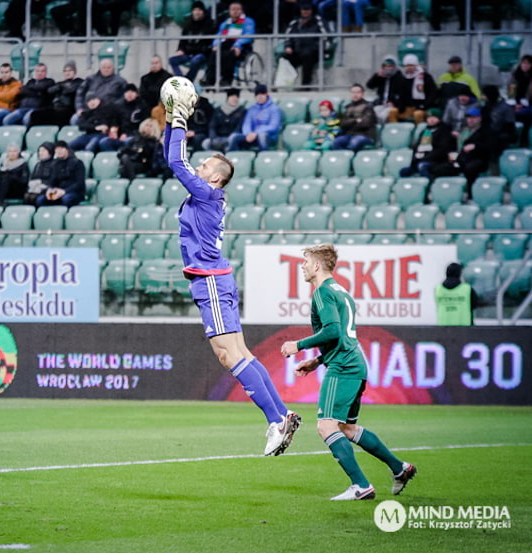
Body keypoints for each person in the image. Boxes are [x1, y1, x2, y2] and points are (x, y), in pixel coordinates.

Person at [164, 90, 300, 457]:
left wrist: (177, 120)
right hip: (215, 277)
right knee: (240, 352)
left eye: (205, 165)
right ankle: (282, 414)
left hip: (209, 279)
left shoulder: (207, 194)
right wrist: (170, 120)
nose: (200, 167)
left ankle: (276, 419)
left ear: (217, 178)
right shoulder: (208, 196)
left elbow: (175, 162)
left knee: (229, 355)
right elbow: (174, 159)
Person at [281, 244, 416, 500]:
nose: (303, 266)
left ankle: (360, 485)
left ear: (318, 265)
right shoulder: (341, 292)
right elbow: (342, 335)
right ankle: (399, 468)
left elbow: (333, 331)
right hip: (354, 364)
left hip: (343, 367)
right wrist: (318, 361)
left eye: (306, 261)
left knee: (326, 426)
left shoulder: (321, 292)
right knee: (346, 428)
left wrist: (297, 346)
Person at [203, 2, 255, 87]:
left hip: (242, 46)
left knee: (229, 54)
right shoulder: (225, 23)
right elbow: (218, 36)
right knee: (214, 53)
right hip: (226, 44)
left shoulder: (248, 21)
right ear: (229, 11)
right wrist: (216, 44)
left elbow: (248, 36)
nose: (235, 11)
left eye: (237, 9)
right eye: (233, 9)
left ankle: (226, 79)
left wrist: (238, 45)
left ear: (241, 11)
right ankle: (210, 80)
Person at [282, 2, 332, 87]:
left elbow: (326, 37)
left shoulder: (319, 21)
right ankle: (283, 84)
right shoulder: (295, 22)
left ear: (312, 10)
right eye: (303, 10)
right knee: (284, 57)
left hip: (315, 51)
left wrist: (318, 47)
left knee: (307, 56)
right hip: (298, 51)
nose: (305, 12)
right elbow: (288, 37)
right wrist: (288, 46)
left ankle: (305, 85)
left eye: (308, 9)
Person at [400, 108, 456, 180]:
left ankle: (429, 186)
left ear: (439, 119)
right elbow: (417, 147)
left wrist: (425, 159)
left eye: (434, 117)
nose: (431, 120)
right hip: (422, 159)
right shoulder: (425, 131)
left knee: (423, 166)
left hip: (437, 161)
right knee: (403, 172)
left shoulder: (444, 131)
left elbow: (442, 150)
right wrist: (416, 159)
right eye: (429, 117)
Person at [169, 2, 216, 83]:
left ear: (203, 12)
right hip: (188, 53)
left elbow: (209, 42)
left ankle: (188, 81)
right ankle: (182, 80)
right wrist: (180, 49)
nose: (197, 12)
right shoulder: (188, 25)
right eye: (195, 10)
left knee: (196, 60)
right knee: (172, 60)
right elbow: (183, 41)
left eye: (199, 10)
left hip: (202, 54)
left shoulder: (209, 24)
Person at [226, 84, 282, 152]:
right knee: (234, 136)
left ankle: (262, 157)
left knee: (262, 136)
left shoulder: (274, 108)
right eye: (257, 95)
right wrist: (248, 133)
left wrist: (256, 133)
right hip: (251, 136)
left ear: (266, 95)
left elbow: (273, 126)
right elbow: (246, 124)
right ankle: (233, 158)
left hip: (268, 137)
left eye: (262, 94)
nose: (260, 97)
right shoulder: (252, 109)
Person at [453, 106, 493, 196]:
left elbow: (490, 147)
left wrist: (475, 146)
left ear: (480, 118)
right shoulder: (465, 131)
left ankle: (471, 194)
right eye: (469, 118)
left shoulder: (486, 131)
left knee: (470, 168)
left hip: (480, 158)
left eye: (473, 118)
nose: (470, 120)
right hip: (463, 157)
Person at [29, 61, 83, 126]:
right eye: (65, 71)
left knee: (59, 115)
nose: (67, 73)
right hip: (56, 107)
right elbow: (50, 91)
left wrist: (61, 88)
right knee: (35, 114)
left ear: (74, 72)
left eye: (70, 71)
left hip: (69, 108)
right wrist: (61, 87)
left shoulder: (79, 81)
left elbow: (71, 90)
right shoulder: (60, 83)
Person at [388, 54, 437, 124]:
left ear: (416, 65)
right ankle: (396, 131)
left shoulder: (425, 77)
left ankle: (419, 132)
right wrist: (399, 105)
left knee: (418, 114)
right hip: (407, 108)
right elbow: (400, 94)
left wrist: (425, 105)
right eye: (407, 66)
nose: (409, 67)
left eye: (411, 65)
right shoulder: (403, 78)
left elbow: (433, 93)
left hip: (421, 107)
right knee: (392, 112)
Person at [34, 140, 85, 207]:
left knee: (67, 199)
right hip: (58, 192)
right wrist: (50, 190)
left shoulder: (77, 163)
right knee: (41, 199)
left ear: (67, 149)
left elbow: (79, 183)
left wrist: (64, 191)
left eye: (61, 149)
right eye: (57, 149)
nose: (59, 151)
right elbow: (52, 180)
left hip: (73, 192)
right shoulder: (55, 164)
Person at [332, 83, 376, 152]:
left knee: (354, 143)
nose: (355, 95)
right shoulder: (348, 107)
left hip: (364, 135)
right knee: (336, 142)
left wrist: (349, 122)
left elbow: (365, 123)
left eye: (358, 92)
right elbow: (342, 124)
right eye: (353, 92)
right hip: (349, 135)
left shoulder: (368, 106)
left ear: (363, 94)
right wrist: (355, 120)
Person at [366, 56, 405, 123]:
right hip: (381, 104)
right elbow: (369, 85)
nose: (388, 68)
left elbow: (403, 96)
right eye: (386, 66)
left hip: (392, 105)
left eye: (390, 66)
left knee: (382, 116)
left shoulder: (400, 78)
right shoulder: (382, 77)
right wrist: (377, 76)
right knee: (371, 114)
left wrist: (395, 104)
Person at [481, 84, 516, 156]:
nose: (482, 97)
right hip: (488, 132)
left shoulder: (505, 107)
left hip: (501, 133)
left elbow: (510, 126)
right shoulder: (486, 106)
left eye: (484, 95)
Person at [508, 55, 532, 147]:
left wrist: (525, 103)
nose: (525, 65)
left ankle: (524, 141)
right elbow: (511, 92)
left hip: (529, 103)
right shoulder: (515, 75)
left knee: (527, 116)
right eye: (523, 63)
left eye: (528, 63)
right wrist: (516, 104)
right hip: (516, 103)